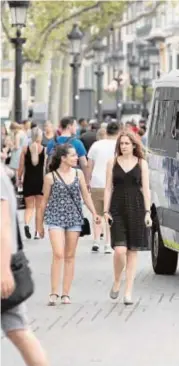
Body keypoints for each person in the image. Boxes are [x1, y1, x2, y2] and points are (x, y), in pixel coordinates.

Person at [39, 144, 101, 305]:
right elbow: (43, 202)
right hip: (55, 217)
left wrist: (94, 213)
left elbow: (86, 196)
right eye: (73, 156)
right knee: (58, 254)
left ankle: (65, 293)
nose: (77, 158)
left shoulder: (78, 174)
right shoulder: (50, 177)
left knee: (70, 256)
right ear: (63, 158)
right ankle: (53, 292)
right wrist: (39, 225)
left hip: (74, 217)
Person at [1, 163, 50, 366]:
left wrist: (3, 269)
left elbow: (3, 225)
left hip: (4, 263)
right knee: (18, 329)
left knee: (19, 330)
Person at [104, 131, 152, 305]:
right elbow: (108, 188)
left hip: (136, 208)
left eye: (126, 143)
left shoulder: (142, 164)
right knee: (119, 250)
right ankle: (117, 280)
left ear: (133, 145)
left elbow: (145, 189)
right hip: (116, 208)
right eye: (121, 143)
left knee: (132, 251)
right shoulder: (112, 163)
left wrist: (148, 212)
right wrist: (105, 211)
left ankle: (128, 291)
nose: (123, 146)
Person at [87, 122, 120, 253]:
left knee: (97, 213)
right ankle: (108, 243)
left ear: (106, 131)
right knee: (110, 214)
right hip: (112, 184)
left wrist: (87, 181)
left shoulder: (96, 145)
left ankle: (96, 241)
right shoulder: (120, 146)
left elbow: (89, 165)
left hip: (96, 182)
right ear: (119, 131)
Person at [17, 127, 46, 239]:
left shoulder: (25, 150)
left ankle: (26, 224)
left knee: (29, 207)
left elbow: (20, 167)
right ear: (40, 136)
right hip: (40, 182)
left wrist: (19, 179)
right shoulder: (44, 149)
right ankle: (37, 233)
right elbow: (45, 168)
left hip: (28, 181)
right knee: (39, 208)